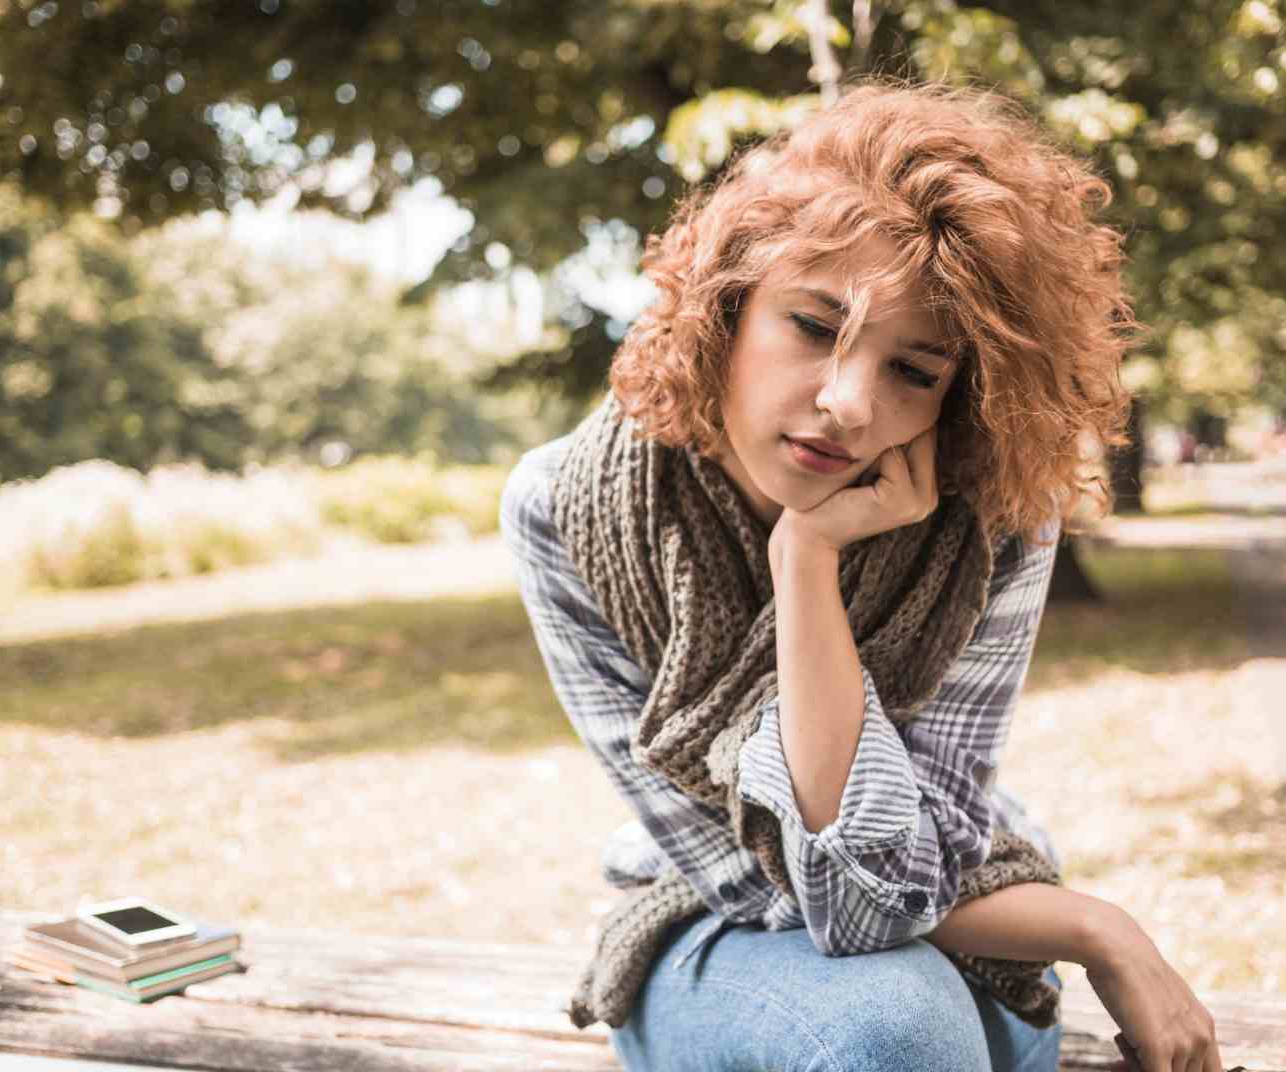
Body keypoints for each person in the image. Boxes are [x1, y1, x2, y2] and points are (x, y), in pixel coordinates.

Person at [500, 79, 1225, 1072]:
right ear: (728, 303)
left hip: (974, 945)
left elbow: (889, 885)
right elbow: (814, 900)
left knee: (913, 1024)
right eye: (812, 324)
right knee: (895, 1026)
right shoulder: (562, 510)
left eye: (913, 371)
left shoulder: (995, 525)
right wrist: (1098, 927)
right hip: (716, 936)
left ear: (960, 397)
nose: (847, 402)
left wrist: (807, 563)